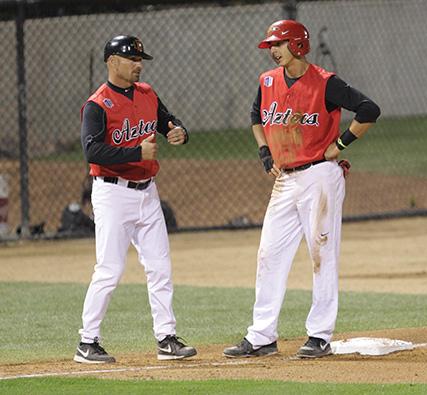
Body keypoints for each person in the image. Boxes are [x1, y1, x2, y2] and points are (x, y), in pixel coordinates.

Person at [223, 20, 380, 359]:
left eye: (278, 44)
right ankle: (262, 336)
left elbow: (369, 110)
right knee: (269, 254)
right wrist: (264, 152)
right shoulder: (267, 82)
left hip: (320, 177)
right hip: (286, 181)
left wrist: (341, 142)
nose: (273, 51)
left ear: (297, 45)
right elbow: (255, 116)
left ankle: (319, 335)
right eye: (271, 46)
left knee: (321, 253)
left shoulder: (325, 83)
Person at [74, 35, 196, 363]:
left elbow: (169, 121)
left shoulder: (147, 94)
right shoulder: (98, 104)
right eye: (132, 59)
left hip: (147, 192)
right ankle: (87, 341)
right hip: (112, 193)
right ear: (112, 61)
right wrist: (134, 151)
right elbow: (92, 150)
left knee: (159, 266)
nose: (138, 65)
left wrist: (179, 132)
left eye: (140, 59)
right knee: (110, 269)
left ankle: (166, 338)